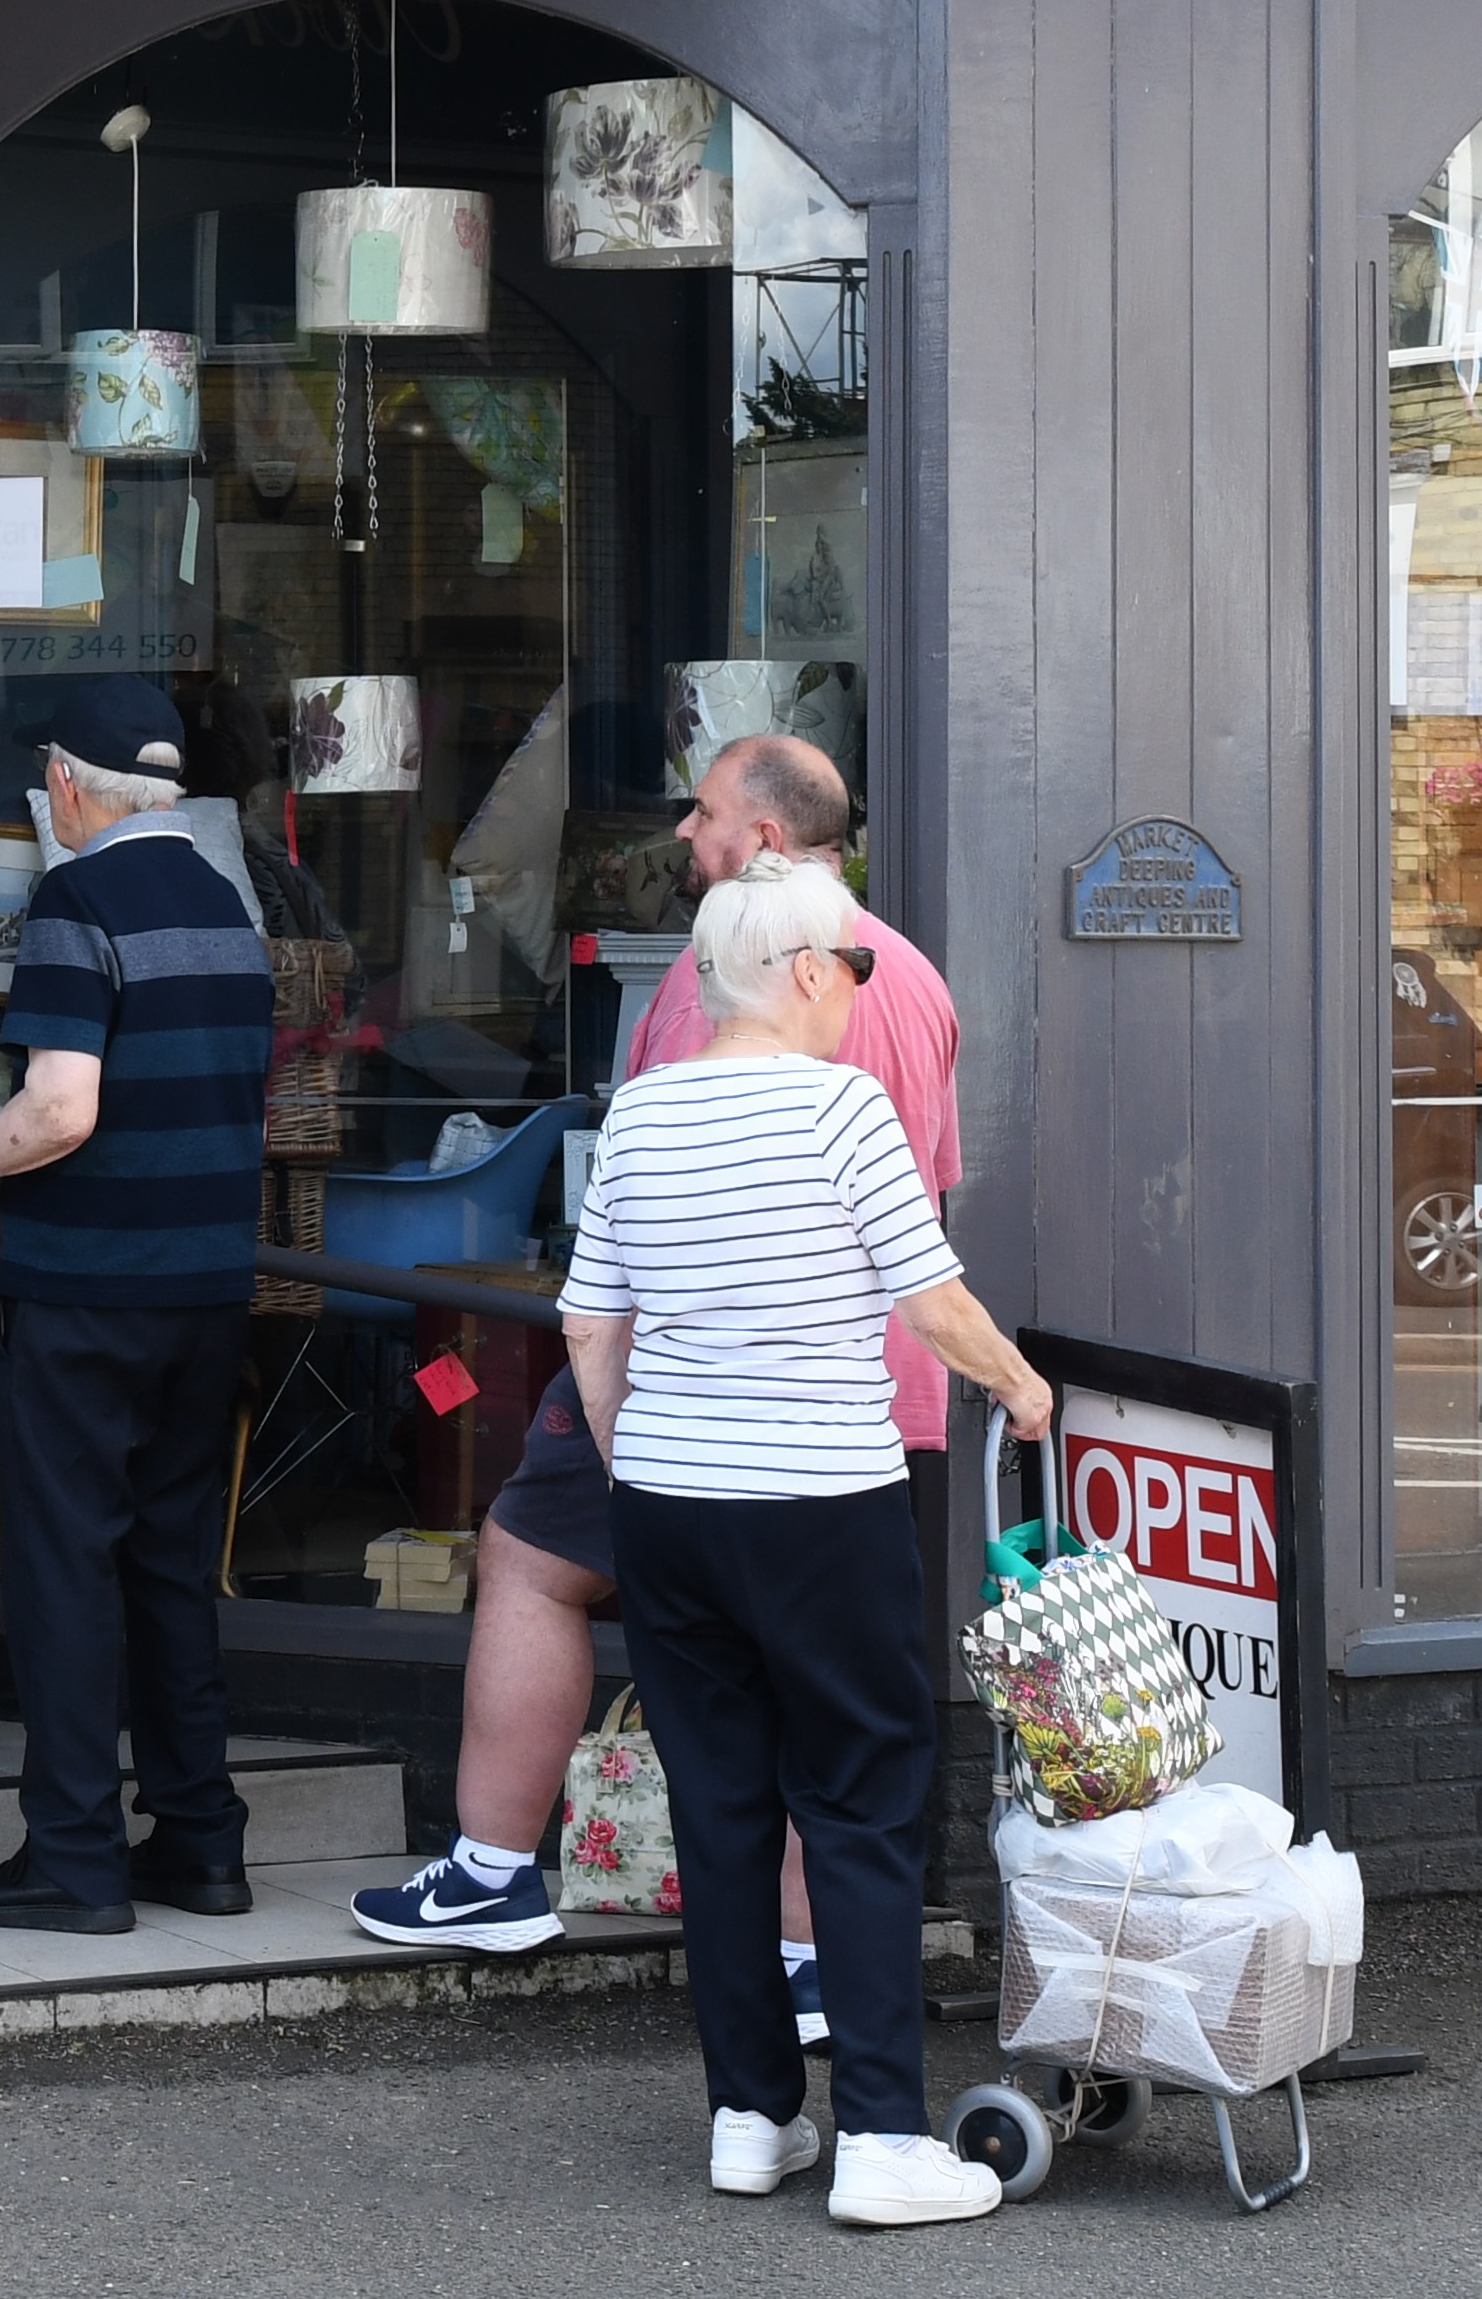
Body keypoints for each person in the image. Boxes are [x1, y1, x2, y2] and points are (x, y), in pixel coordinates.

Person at [355, 730, 956, 2050]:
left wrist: (615, 1410)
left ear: (766, 839)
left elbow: (653, 1194)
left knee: (528, 1557)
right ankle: (812, 1966)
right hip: (878, 1393)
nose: (685, 836)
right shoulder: (911, 975)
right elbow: (932, 1197)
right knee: (829, 1677)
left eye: (704, 814)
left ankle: (495, 1872)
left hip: (695, 1373)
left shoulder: (723, 974)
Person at [558, 854, 1051, 2228]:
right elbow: (929, 1294)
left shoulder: (642, 1112)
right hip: (820, 1502)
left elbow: (590, 1325)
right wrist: (1016, 1382)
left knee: (719, 1805)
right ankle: (884, 2134)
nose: (859, 990)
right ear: (805, 973)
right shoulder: (842, 1107)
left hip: (670, 1505)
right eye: (855, 967)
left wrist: (632, 1460)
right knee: (859, 1800)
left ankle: (751, 2114)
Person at [0, 674, 271, 1933]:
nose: (47, 793)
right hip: (208, 1291)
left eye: (49, 774)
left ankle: (77, 1861)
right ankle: (201, 1842)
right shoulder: (229, 904)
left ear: (74, 788)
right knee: (166, 1566)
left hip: (90, 1289)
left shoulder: (74, 898)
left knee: (63, 1569)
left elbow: (60, 1110)